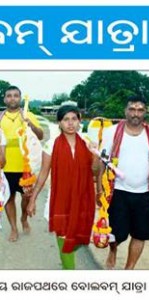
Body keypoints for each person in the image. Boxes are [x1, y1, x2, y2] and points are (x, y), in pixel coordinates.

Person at [99, 95, 149, 269]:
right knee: (115, 234)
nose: (136, 113)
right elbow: (102, 162)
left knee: (140, 234)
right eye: (132, 109)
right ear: (125, 111)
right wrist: (99, 191)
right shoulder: (111, 132)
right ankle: (113, 251)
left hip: (144, 194)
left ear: (145, 113)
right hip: (117, 191)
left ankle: (129, 268)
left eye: (140, 110)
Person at [28, 105, 102, 269]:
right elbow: (43, 174)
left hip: (83, 197)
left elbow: (95, 172)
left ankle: (67, 256)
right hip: (61, 197)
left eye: (74, 119)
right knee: (63, 231)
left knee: (79, 234)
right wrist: (33, 200)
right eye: (66, 120)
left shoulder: (87, 143)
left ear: (79, 122)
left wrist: (95, 154)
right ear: (59, 123)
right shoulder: (51, 145)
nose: (70, 123)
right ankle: (69, 270)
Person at [0, 86, 44, 242]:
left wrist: (29, 124)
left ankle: (24, 218)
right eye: (9, 96)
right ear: (4, 99)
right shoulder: (0, 117)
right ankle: (13, 228)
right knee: (8, 198)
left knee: (27, 197)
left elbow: (40, 136)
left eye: (16, 96)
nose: (12, 98)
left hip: (26, 167)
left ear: (20, 98)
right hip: (5, 167)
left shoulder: (28, 114)